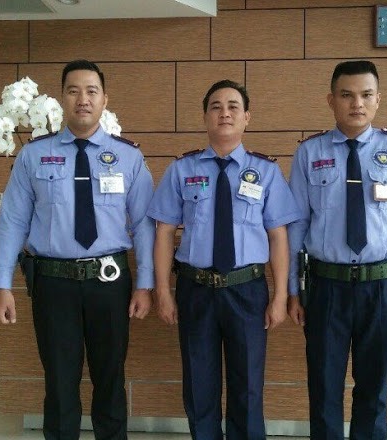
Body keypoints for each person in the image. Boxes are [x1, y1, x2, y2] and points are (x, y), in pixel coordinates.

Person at [0, 59, 155, 440]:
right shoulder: (34, 155)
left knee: (110, 379)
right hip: (53, 284)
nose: (83, 99)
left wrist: (146, 283)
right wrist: (2, 283)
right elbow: (12, 221)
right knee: (60, 384)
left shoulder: (128, 157)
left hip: (109, 282)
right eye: (73, 91)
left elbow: (144, 224)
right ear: (62, 99)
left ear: (104, 100)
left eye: (91, 91)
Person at [147, 79, 301, 440]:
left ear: (247, 117)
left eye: (233, 106)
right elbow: (164, 232)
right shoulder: (182, 170)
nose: (225, 113)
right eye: (216, 106)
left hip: (247, 290)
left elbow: (278, 236)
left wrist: (280, 296)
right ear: (205, 117)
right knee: (199, 384)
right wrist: (163, 292)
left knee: (247, 385)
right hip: (195, 289)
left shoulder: (266, 172)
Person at [287, 60, 387, 440]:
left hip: (381, 286)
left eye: (366, 95)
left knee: (374, 390)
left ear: (378, 99)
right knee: (324, 388)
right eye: (346, 95)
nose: (356, 104)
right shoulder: (309, 152)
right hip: (325, 287)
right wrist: (293, 291)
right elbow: (296, 226)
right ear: (331, 100)